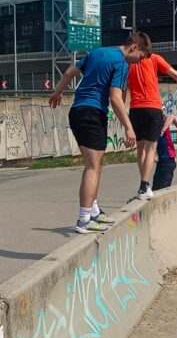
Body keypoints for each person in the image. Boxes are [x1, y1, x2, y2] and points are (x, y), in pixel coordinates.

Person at [49, 34, 143, 234]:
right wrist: (129, 127)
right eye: (141, 57)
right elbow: (116, 98)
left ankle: (93, 211)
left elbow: (68, 73)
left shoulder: (98, 52)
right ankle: (84, 220)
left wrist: (57, 92)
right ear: (134, 47)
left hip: (78, 112)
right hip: (92, 113)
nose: (139, 62)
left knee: (97, 164)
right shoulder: (121, 63)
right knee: (93, 166)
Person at [125, 36, 177, 200]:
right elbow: (175, 75)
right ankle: (144, 185)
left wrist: (124, 120)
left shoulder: (128, 63)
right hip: (153, 108)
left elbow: (122, 88)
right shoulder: (155, 59)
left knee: (140, 149)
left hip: (135, 109)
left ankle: (144, 186)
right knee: (150, 149)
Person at [152, 113, 177, 191]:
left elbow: (171, 116)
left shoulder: (162, 121)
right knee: (155, 188)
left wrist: (163, 130)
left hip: (168, 161)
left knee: (163, 189)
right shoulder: (152, 126)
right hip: (161, 162)